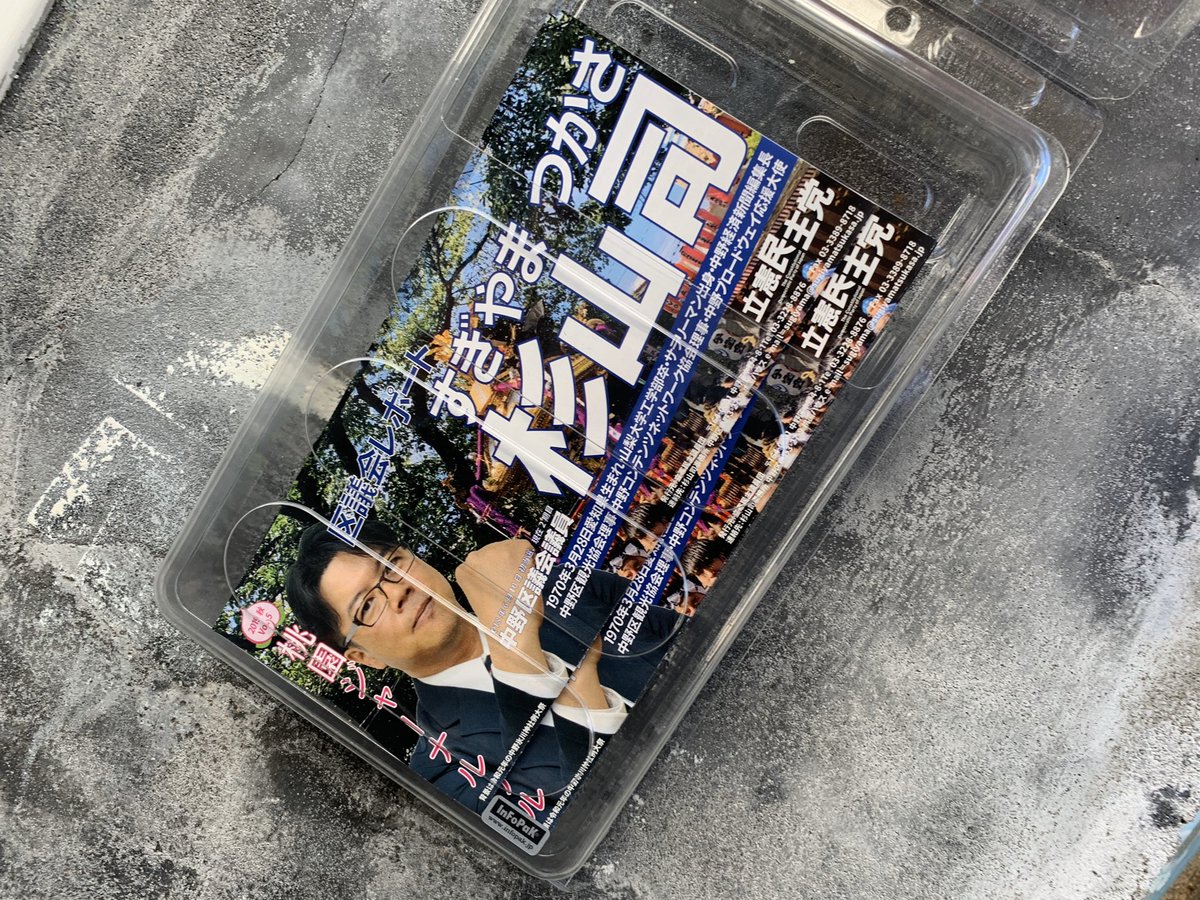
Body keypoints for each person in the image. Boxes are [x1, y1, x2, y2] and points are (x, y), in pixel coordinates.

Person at [285, 520, 677, 814]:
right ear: (363, 657)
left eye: (392, 565)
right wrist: (518, 647)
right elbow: (584, 822)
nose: (398, 590)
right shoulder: (442, 771)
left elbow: (685, 637)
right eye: (368, 605)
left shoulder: (552, 588)